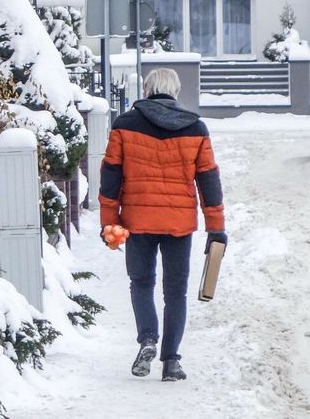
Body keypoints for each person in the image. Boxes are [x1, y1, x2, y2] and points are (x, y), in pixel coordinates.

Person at [99, 67, 225, 382]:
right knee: (175, 292)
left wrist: (108, 223)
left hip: (137, 220)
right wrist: (216, 228)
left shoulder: (124, 125)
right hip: (179, 223)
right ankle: (171, 362)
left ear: (146, 89)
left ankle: (147, 338)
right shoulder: (195, 128)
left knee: (141, 284)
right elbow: (209, 181)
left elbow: (110, 175)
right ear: (176, 91)